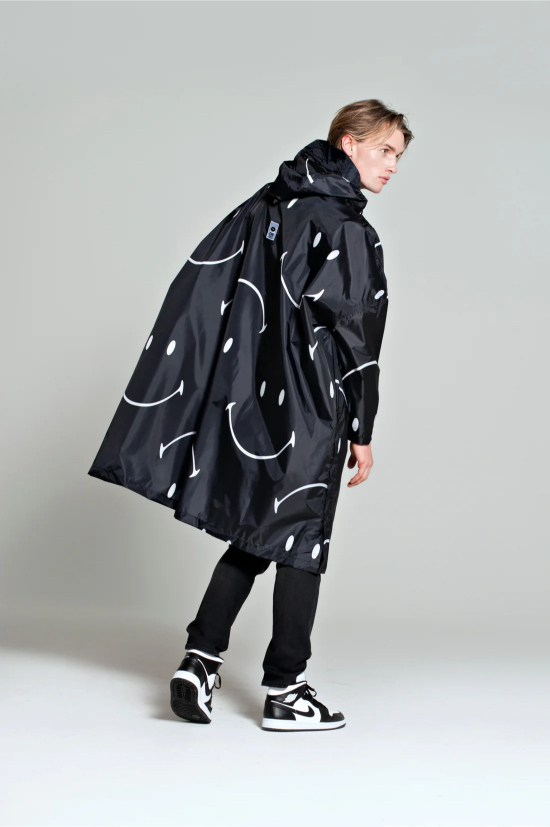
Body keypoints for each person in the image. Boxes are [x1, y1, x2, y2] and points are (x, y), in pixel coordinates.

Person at [88, 99, 413, 732]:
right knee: (301, 539)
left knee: (260, 529)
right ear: (348, 144)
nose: (393, 166)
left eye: (399, 156)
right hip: (313, 402)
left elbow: (218, 285)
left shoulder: (271, 203)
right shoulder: (348, 229)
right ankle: (287, 687)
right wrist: (362, 427)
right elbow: (354, 334)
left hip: (257, 397)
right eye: (384, 150)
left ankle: (200, 659)